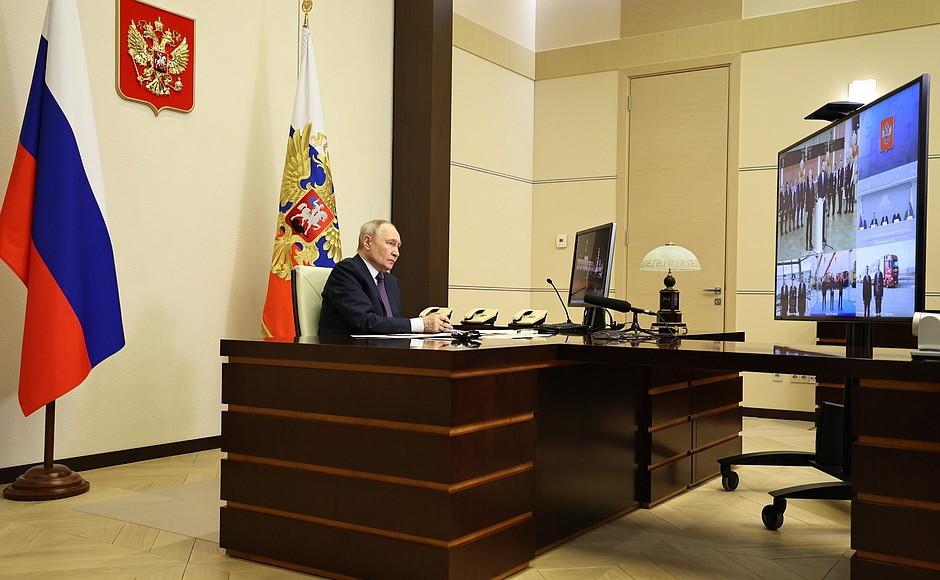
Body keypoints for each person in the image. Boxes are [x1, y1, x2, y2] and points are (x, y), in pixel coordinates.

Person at [318, 219, 452, 336]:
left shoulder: (391, 282)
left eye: (398, 246)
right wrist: (421, 324)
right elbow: (366, 322)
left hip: (386, 351)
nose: (396, 253)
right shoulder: (346, 271)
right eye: (391, 243)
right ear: (367, 242)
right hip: (348, 352)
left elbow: (391, 325)